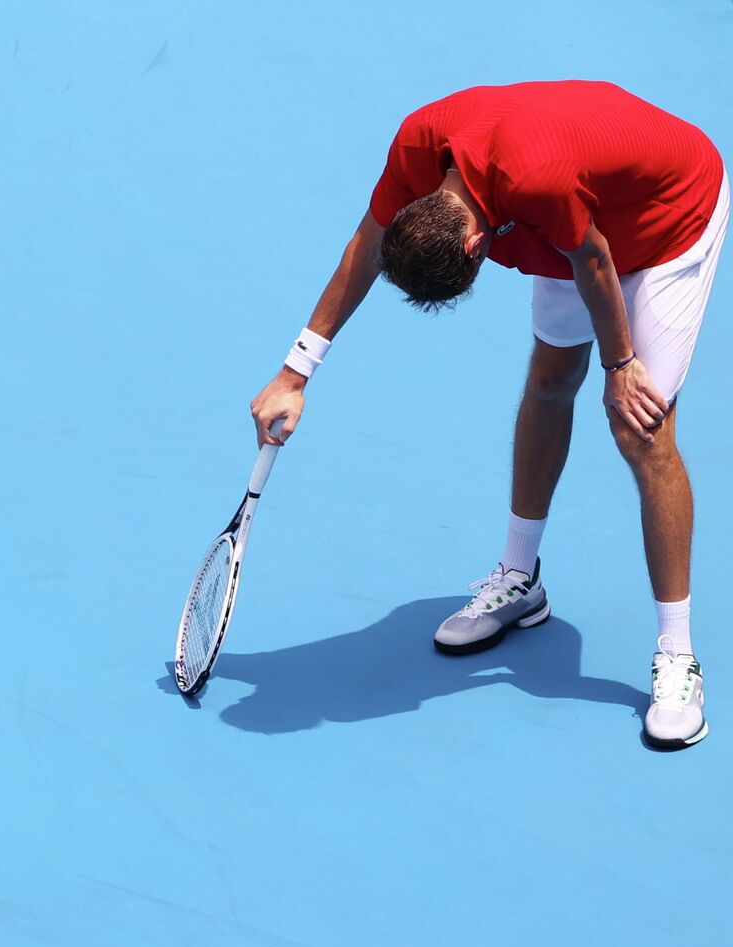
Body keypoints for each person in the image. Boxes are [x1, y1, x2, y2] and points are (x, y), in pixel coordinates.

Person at [248, 81, 726, 748]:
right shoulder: (418, 147)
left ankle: (678, 654)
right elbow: (366, 241)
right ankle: (519, 579)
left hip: (667, 216)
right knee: (550, 377)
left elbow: (592, 257)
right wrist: (295, 371)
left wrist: (622, 367)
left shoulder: (541, 182)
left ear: (476, 246)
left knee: (639, 428)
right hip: (573, 217)